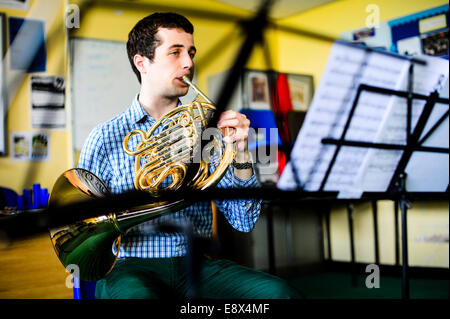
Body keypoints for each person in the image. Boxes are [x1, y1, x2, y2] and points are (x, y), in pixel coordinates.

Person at [78, 12, 301, 299]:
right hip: (133, 266)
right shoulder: (104, 136)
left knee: (280, 293)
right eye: (175, 52)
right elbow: (85, 232)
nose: (189, 63)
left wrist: (242, 152)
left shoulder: (208, 131)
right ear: (141, 62)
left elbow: (244, 222)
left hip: (198, 264)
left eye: (191, 53)